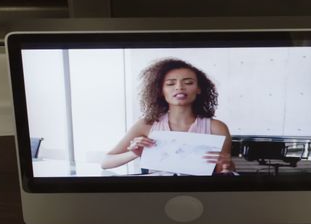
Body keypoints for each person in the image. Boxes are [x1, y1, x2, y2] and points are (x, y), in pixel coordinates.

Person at [101, 58, 236, 175]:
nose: (179, 87)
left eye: (188, 83)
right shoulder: (145, 125)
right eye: (170, 84)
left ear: (199, 89)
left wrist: (227, 166)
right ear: (160, 90)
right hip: (157, 193)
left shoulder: (217, 128)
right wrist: (135, 153)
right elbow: (106, 162)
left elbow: (222, 171)